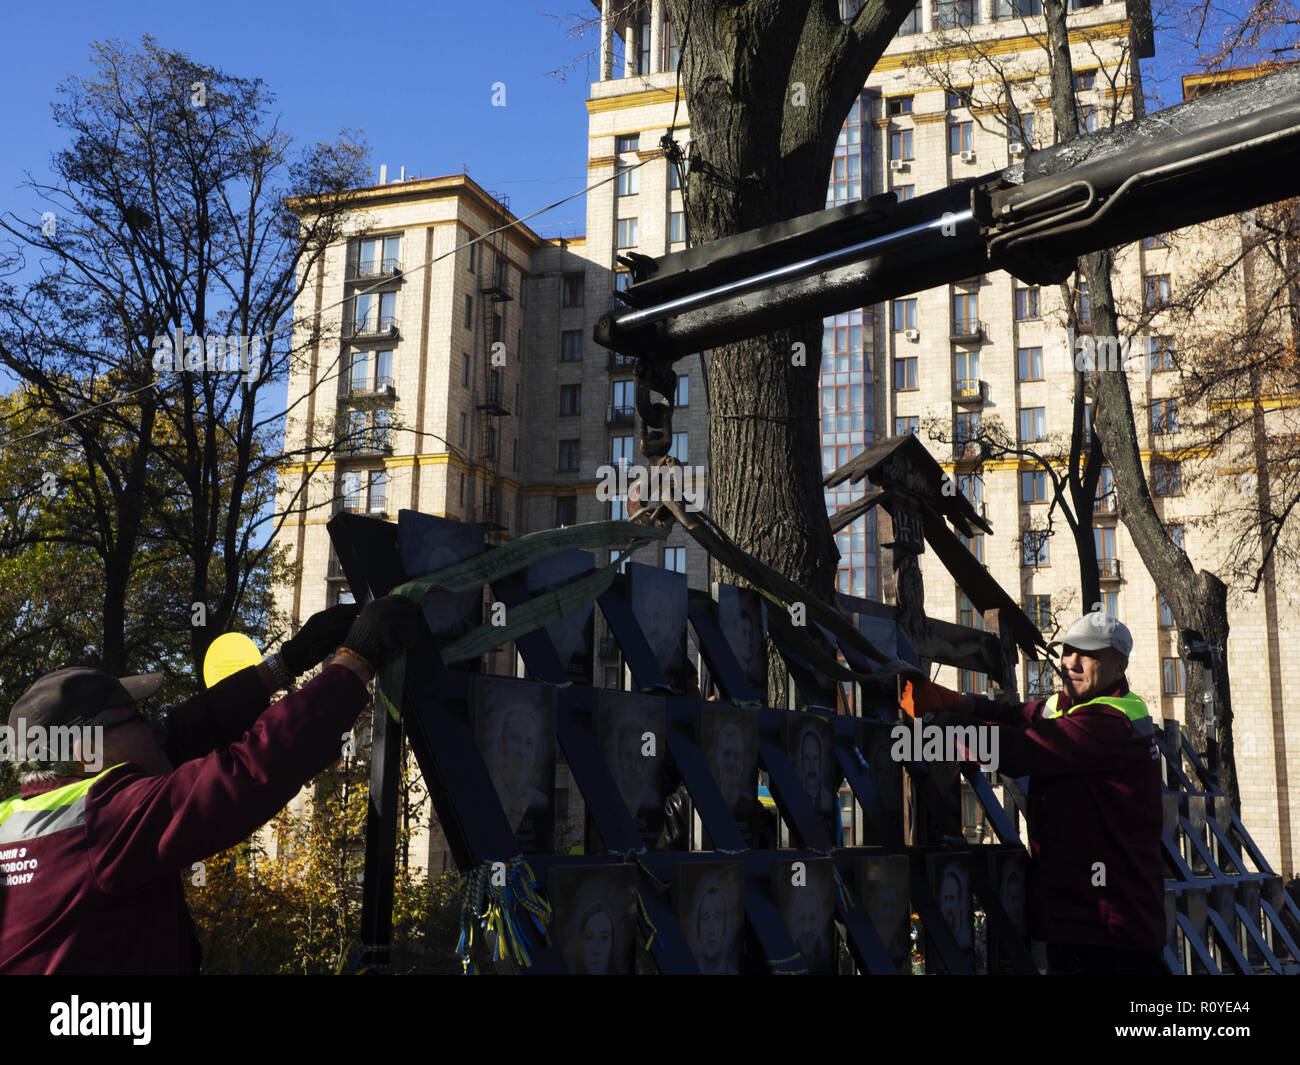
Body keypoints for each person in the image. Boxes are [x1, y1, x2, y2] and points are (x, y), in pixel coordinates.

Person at [0, 596, 424, 975]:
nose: (152, 728)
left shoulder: (20, 819)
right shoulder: (105, 819)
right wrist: (353, 665)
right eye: (137, 719)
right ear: (87, 748)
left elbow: (179, 735)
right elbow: (248, 773)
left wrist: (286, 663)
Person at [903, 610, 1164, 975]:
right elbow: (1018, 715)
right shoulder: (1070, 704)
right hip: (1085, 914)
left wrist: (940, 729)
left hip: (1109, 924)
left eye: (1088, 654)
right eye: (1068, 650)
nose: (1071, 661)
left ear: (1120, 665)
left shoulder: (1110, 723)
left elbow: (1023, 749)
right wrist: (955, 701)